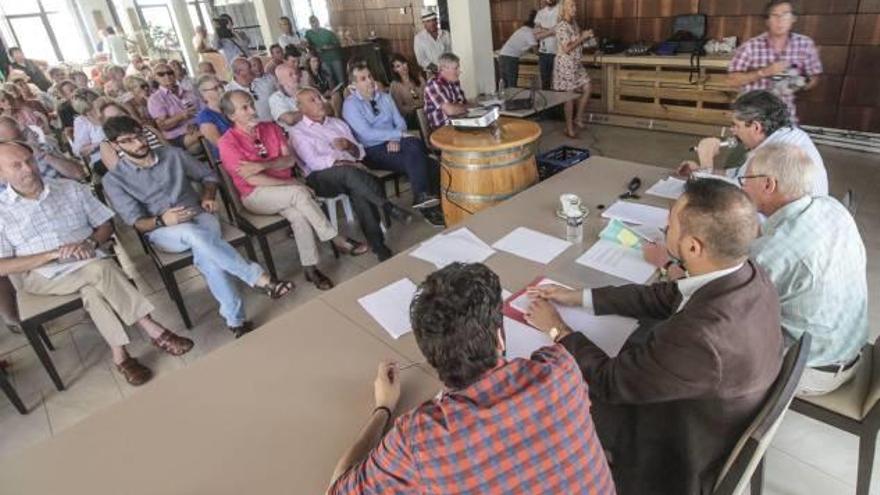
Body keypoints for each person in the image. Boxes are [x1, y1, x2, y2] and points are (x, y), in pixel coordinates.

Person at [525, 178, 783, 494]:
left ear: (693, 247)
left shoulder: (700, 338)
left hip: (673, 449)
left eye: (671, 223)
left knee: (546, 405)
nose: (664, 227)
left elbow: (609, 381)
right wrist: (581, 297)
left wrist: (558, 329)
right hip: (709, 409)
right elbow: (665, 296)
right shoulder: (747, 274)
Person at [327, 262, 616, 494]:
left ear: (431, 356)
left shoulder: (419, 438)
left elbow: (338, 489)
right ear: (500, 337)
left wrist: (383, 408)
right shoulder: (560, 368)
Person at [0, 141, 194, 386]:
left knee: (92, 290)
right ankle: (153, 328)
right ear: (1, 173)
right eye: (15, 165)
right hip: (42, 276)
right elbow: (2, 266)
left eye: (29, 161)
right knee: (100, 269)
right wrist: (50, 255)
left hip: (87, 258)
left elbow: (105, 226)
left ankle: (121, 357)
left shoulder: (70, 188)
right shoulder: (2, 211)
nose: (27, 169)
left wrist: (90, 243)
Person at [102, 115, 293, 337]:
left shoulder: (172, 155)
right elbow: (137, 223)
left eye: (140, 136)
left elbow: (209, 176)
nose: (139, 143)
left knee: (206, 255)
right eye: (129, 141)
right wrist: (163, 220)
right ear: (115, 146)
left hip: (199, 214)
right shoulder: (114, 180)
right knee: (193, 235)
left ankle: (236, 322)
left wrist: (208, 196)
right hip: (164, 231)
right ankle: (258, 279)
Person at [741, 144, 867, 396]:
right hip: (848, 350)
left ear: (768, 185)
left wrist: (672, 266)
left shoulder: (772, 252)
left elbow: (723, 299)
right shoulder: (832, 207)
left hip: (813, 371)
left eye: (746, 179)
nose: (742, 186)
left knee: (706, 342)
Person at [218, 90, 370, 289]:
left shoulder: (270, 128)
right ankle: (337, 239)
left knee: (299, 215)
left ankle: (310, 269)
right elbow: (252, 178)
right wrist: (291, 182)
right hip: (256, 195)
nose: (252, 110)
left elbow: (289, 160)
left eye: (251, 104)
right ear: (232, 116)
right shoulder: (228, 142)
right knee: (299, 193)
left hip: (286, 191)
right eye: (244, 108)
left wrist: (264, 165)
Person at [290, 87, 413, 262]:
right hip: (321, 178)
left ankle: (379, 247)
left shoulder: (337, 123)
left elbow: (360, 153)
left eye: (319, 97)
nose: (320, 102)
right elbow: (315, 163)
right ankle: (387, 206)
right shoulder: (298, 132)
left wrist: (349, 146)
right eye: (313, 100)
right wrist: (348, 162)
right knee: (353, 174)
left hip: (352, 173)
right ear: (301, 108)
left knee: (358, 189)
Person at [342, 61, 444, 226]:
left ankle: (424, 199)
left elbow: (400, 122)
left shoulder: (384, 97)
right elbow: (366, 134)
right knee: (428, 161)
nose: (369, 81)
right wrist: (396, 134)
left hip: (396, 142)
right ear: (354, 85)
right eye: (363, 79)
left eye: (370, 76)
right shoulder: (350, 105)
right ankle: (428, 206)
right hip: (372, 150)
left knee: (417, 150)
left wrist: (395, 138)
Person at [679, 90, 827, 196]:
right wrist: (702, 172)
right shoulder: (789, 135)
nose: (733, 131)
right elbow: (739, 176)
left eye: (736, 125)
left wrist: (706, 162)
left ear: (756, 127)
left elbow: (724, 203)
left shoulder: (777, 154)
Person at [728, 0, 822, 123]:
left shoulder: (805, 44)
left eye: (785, 14)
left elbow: (814, 78)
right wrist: (764, 72)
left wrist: (796, 81)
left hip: (784, 113)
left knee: (786, 139)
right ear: (767, 21)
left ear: (793, 18)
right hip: (752, 114)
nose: (780, 20)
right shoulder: (750, 46)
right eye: (775, 15)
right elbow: (732, 80)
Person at [0, 116, 85, 185]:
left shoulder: (43, 148)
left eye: (20, 136)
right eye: (14, 140)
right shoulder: (3, 169)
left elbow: (79, 174)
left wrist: (44, 156)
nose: (20, 142)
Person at [554, 0, 594, 138]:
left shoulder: (574, 23)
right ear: (564, 8)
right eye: (572, 5)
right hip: (565, 64)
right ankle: (569, 128)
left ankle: (578, 118)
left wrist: (587, 39)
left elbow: (577, 42)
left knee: (587, 86)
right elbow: (566, 48)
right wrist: (582, 37)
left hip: (576, 63)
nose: (575, 8)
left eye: (575, 5)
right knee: (569, 97)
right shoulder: (561, 26)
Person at [147, 63, 201, 150]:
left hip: (197, 127)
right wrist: (182, 116)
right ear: (155, 77)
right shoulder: (155, 99)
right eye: (161, 74)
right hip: (176, 136)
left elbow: (201, 110)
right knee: (207, 132)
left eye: (170, 72)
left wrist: (196, 123)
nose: (167, 76)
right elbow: (163, 125)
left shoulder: (188, 92)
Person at [497, 10, 552, 89]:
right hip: (510, 59)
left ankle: (506, 100)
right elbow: (536, 51)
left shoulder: (523, 29)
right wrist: (545, 54)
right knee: (512, 85)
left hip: (502, 57)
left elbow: (542, 30)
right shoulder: (529, 34)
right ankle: (512, 101)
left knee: (505, 85)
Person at [423, 53, 471, 130]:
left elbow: (463, 103)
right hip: (442, 131)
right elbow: (450, 110)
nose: (459, 71)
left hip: (458, 125)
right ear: (443, 69)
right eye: (456, 68)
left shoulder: (454, 82)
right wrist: (466, 107)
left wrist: (464, 107)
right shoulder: (433, 85)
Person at [226, 57, 277, 123]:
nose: (254, 70)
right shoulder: (229, 92)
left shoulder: (261, 82)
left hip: (273, 126)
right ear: (239, 72)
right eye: (249, 68)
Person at [304, 15, 345, 88]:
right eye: (312, 22)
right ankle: (335, 96)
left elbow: (338, 44)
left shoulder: (327, 32)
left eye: (315, 21)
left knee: (340, 78)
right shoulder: (308, 33)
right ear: (310, 23)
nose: (314, 24)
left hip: (334, 57)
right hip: (322, 59)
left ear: (318, 22)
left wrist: (328, 47)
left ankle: (345, 95)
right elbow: (308, 45)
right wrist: (314, 48)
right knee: (329, 79)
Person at [71, 88, 107, 171]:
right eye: (87, 109)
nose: (92, 111)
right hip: (101, 158)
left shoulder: (110, 108)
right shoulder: (82, 121)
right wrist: (99, 145)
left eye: (94, 103)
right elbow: (79, 150)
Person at [195, 74, 231, 155]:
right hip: (227, 158)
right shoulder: (205, 116)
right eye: (215, 88)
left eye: (221, 86)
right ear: (204, 95)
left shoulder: (229, 108)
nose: (221, 90)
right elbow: (221, 145)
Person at [388, 53, 425, 130]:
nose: (403, 67)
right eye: (398, 66)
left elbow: (428, 95)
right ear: (395, 70)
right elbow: (399, 108)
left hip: (425, 109)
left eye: (403, 63)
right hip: (410, 116)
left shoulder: (419, 78)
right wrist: (414, 108)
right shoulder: (395, 85)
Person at [268, 64, 303, 133]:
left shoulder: (308, 90)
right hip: (298, 136)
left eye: (296, 73)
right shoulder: (276, 98)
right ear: (281, 81)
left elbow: (328, 108)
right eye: (291, 75)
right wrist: (312, 110)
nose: (296, 77)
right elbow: (290, 119)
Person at [534, 0, 560, 90]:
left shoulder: (561, 10)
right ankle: (549, 104)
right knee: (545, 84)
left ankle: (558, 104)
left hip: (558, 53)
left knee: (558, 84)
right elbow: (536, 35)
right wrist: (551, 31)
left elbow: (561, 31)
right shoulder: (540, 13)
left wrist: (543, 30)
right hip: (543, 54)